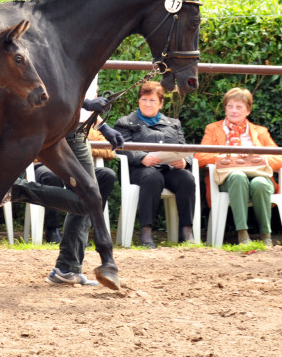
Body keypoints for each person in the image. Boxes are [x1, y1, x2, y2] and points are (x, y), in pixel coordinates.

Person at [10, 76, 123, 285]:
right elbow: (48, 88)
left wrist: (104, 128)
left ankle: (67, 267)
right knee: (88, 198)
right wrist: (86, 103)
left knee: (97, 188)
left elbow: (81, 98)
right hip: (63, 130)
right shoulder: (76, 45)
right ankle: (18, 190)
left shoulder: (93, 53)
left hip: (78, 131)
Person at [194, 87, 282, 247]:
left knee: (260, 183)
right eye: (230, 106)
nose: (234, 111)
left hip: (259, 175)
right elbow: (200, 157)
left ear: (248, 110)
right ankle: (242, 234)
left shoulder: (260, 131)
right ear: (225, 108)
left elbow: (281, 157)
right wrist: (227, 157)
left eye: (239, 107)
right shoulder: (213, 129)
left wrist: (259, 158)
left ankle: (266, 236)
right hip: (229, 179)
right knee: (238, 176)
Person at [114, 81, 196, 248]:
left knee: (187, 179)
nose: (147, 104)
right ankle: (146, 231)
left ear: (161, 103)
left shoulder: (173, 123)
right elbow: (122, 148)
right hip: (139, 171)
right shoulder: (125, 122)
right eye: (144, 99)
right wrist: (142, 158)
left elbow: (185, 147)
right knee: (152, 177)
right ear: (138, 101)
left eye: (152, 100)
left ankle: (187, 231)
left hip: (168, 169)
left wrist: (184, 161)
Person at [41, 126, 117, 244]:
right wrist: (77, 148)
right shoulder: (53, 120)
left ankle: (87, 226)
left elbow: (110, 150)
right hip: (48, 165)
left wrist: (83, 148)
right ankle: (52, 229)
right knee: (52, 177)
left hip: (79, 166)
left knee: (107, 175)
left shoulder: (93, 123)